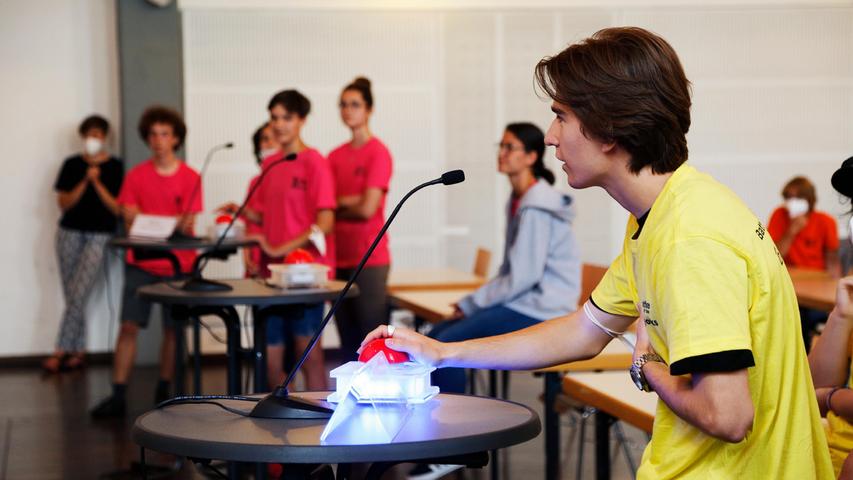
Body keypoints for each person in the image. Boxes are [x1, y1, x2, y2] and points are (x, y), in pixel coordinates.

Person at [362, 27, 833, 479]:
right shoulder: (664, 213)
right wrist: (442, 353)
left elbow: (728, 416)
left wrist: (648, 367)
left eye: (562, 116)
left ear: (609, 130)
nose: (549, 136)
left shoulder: (690, 238)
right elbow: (586, 330)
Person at [428, 122, 580, 395]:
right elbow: (510, 271)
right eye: (502, 146)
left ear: (531, 157)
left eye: (510, 147)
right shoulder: (519, 200)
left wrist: (472, 303)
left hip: (544, 308)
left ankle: (449, 423)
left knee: (446, 346)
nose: (502, 153)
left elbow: (523, 278)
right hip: (524, 301)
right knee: (435, 336)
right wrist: (474, 302)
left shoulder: (536, 207)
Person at [91, 106, 202, 418]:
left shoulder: (191, 176)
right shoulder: (136, 176)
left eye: (165, 134)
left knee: (173, 331)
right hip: (140, 262)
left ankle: (165, 388)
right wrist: (167, 222)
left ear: (176, 138)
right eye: (153, 134)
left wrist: (148, 219)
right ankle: (118, 393)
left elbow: (188, 224)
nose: (158, 140)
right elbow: (130, 221)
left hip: (178, 266)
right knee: (128, 326)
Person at [220, 90, 334, 390]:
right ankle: (285, 424)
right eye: (274, 118)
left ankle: (319, 426)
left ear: (302, 121)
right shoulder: (272, 166)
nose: (280, 124)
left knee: (309, 357)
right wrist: (243, 214)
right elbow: (269, 217)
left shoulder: (314, 162)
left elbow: (324, 222)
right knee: (270, 361)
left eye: (287, 117)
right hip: (272, 278)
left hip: (305, 276)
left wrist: (280, 248)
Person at [46, 115, 123, 373]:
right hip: (69, 232)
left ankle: (59, 350)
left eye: (98, 134)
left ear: (105, 137)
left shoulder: (115, 166)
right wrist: (84, 180)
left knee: (78, 293)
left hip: (99, 235)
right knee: (72, 294)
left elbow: (116, 208)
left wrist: (97, 181)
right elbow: (63, 203)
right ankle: (77, 351)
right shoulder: (71, 164)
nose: (94, 139)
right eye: (90, 134)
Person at [328, 76, 394, 359]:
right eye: (343, 104)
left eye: (354, 104)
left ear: (368, 109)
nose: (348, 110)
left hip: (369, 259)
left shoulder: (378, 153)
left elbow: (368, 208)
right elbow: (325, 207)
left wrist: (340, 203)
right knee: (346, 343)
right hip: (338, 258)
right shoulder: (333, 156)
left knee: (371, 343)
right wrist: (348, 201)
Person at [810, 157, 853, 478]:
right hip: (827, 454)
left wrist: (834, 399)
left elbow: (823, 394)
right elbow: (817, 383)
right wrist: (841, 316)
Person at [769, 176, 841, 350]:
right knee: (791, 316)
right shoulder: (780, 216)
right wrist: (792, 231)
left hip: (817, 284)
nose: (791, 202)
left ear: (809, 200)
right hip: (789, 283)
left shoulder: (825, 221)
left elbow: (832, 261)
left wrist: (836, 292)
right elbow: (773, 255)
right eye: (788, 197)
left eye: (797, 198)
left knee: (813, 317)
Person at [242, 122, 279, 278]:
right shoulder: (254, 182)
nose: (269, 143)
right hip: (255, 257)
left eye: (274, 138)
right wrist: (246, 256)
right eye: (264, 139)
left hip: (278, 253)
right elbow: (247, 225)